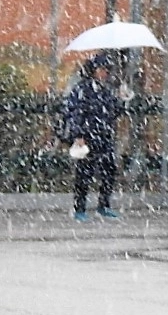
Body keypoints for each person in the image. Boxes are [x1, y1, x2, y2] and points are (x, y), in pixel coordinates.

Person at [63, 52, 124, 221]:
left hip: (104, 136)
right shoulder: (82, 89)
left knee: (109, 170)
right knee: (84, 173)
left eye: (107, 70)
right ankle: (79, 208)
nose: (105, 73)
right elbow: (75, 112)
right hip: (88, 136)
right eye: (103, 69)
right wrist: (79, 134)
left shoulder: (105, 90)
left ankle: (103, 205)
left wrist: (121, 100)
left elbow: (113, 112)